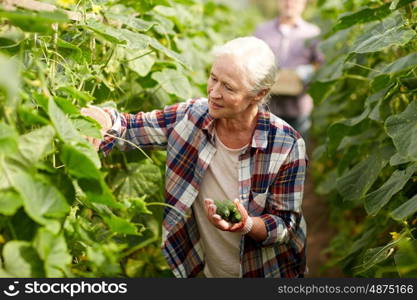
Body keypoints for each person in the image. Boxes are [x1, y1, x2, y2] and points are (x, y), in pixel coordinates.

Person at [81, 37, 308, 278]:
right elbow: (130, 127)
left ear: (258, 94)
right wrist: (103, 118)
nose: (214, 93)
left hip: (267, 271)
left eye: (228, 87)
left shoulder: (286, 144)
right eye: (213, 78)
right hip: (204, 269)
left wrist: (247, 224)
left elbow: (285, 226)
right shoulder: (190, 117)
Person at [254, 0, 324, 141]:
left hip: (298, 107)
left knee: (296, 154)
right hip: (266, 107)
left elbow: (321, 63)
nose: (289, 3)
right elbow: (252, 58)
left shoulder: (312, 32)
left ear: (304, 4)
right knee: (264, 155)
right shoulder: (262, 31)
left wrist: (307, 71)